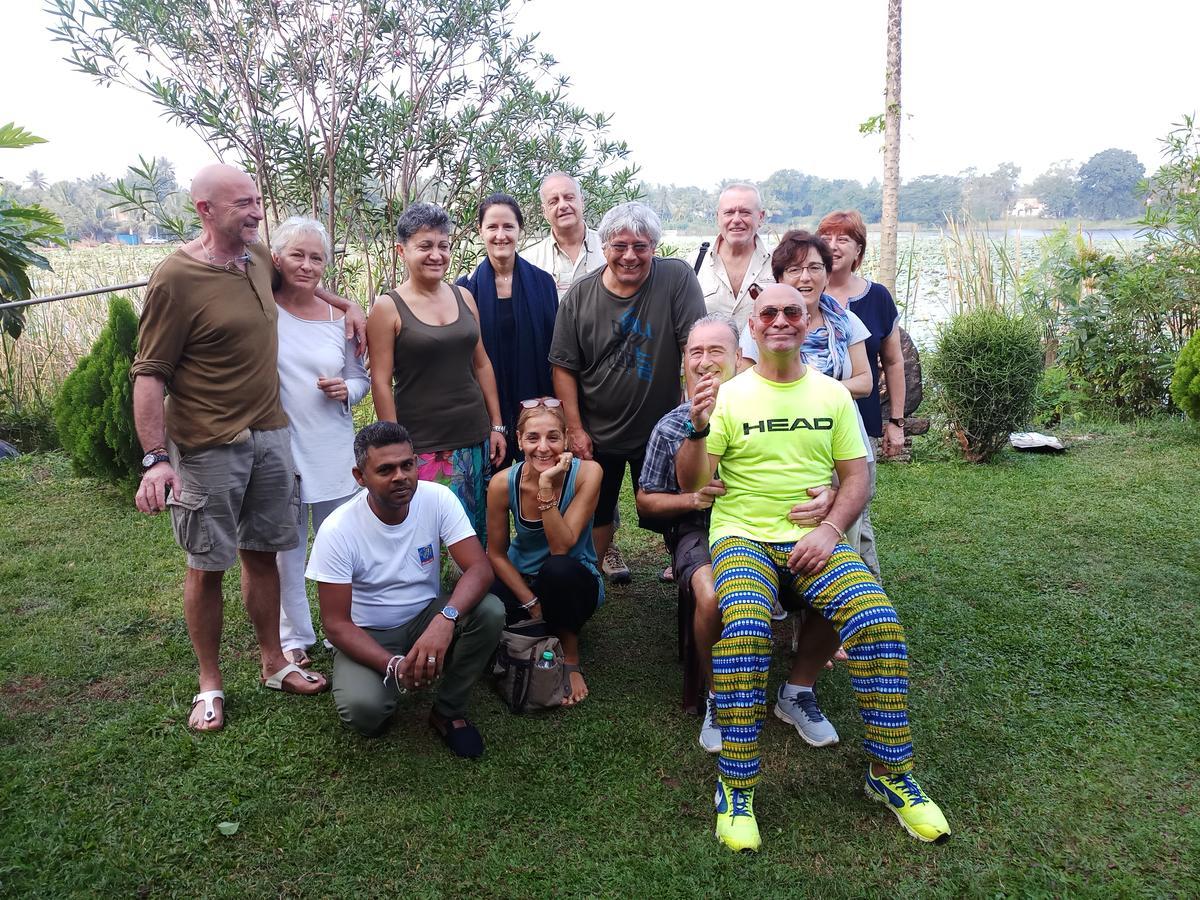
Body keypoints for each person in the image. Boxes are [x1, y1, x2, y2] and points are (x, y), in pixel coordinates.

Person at [676, 282, 950, 852]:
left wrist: (829, 530)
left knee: (878, 621)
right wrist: (700, 429)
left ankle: (891, 774)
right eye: (768, 312)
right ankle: (737, 785)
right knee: (746, 626)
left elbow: (857, 477)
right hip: (743, 538)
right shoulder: (728, 396)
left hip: (813, 540)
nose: (779, 320)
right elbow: (695, 486)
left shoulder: (832, 395)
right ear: (753, 325)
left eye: (791, 312)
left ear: (809, 322)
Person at [131, 164, 360, 731]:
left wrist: (349, 303)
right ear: (205, 210)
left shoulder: (257, 257)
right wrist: (156, 460)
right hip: (209, 444)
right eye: (242, 203)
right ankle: (210, 683)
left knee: (265, 553)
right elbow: (149, 375)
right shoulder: (176, 278)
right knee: (206, 565)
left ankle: (273, 661)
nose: (256, 211)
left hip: (271, 436)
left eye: (257, 200)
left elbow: (300, 280)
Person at [637, 314, 835, 752]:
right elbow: (646, 501)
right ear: (684, 364)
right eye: (695, 352)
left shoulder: (784, 406)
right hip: (700, 529)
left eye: (716, 351)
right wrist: (691, 499)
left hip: (779, 525)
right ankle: (717, 696)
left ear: (739, 359)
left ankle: (798, 689)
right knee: (711, 593)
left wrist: (829, 497)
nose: (705, 362)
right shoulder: (672, 424)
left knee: (831, 576)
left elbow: (834, 469)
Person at [307, 422, 505, 758]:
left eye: (407, 465)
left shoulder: (437, 498)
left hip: (427, 616)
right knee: (364, 713)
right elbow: (336, 624)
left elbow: (479, 568)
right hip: (370, 632)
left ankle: (447, 710)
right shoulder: (338, 529)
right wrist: (393, 666)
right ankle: (397, 675)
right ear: (360, 476)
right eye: (385, 469)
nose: (400, 476)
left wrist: (445, 620)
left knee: (490, 611)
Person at [549, 201, 707, 580]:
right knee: (597, 508)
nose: (630, 256)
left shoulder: (676, 278)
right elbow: (563, 366)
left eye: (641, 246)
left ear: (654, 246)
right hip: (597, 427)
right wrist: (575, 428)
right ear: (603, 247)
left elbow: (694, 346)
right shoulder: (581, 296)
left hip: (659, 428)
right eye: (619, 246)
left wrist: (693, 405)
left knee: (678, 506)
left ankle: (688, 567)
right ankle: (592, 577)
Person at [367, 202, 506, 540]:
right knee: (427, 534)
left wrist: (496, 424)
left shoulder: (464, 297)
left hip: (472, 436)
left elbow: (482, 363)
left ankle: (476, 591)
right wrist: (395, 445)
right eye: (425, 246)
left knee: (474, 529)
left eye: (443, 246)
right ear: (402, 251)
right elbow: (381, 382)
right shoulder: (388, 308)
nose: (436, 255)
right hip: (424, 444)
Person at [739, 230, 877, 565]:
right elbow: (743, 382)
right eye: (794, 269)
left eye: (815, 268)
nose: (805, 277)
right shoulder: (763, 324)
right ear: (779, 277)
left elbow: (865, 381)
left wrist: (817, 391)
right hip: (782, 437)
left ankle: (857, 585)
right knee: (797, 512)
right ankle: (785, 582)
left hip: (842, 434)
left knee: (852, 517)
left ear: (828, 275)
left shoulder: (846, 321)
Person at [271, 216, 370, 667]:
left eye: (316, 257)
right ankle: (293, 635)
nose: (307, 265)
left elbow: (359, 377)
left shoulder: (341, 319)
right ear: (277, 258)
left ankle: (342, 625)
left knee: (339, 541)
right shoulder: (264, 309)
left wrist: (345, 390)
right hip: (282, 447)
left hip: (332, 443)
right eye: (298, 254)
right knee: (287, 549)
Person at [525, 171, 631, 584]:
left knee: (601, 458)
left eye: (569, 197)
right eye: (553, 200)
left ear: (582, 201)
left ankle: (607, 541)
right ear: (544, 209)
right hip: (558, 368)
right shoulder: (534, 257)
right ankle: (556, 538)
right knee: (561, 453)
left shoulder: (607, 247)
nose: (562, 205)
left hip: (607, 372)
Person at [486, 398, 603, 705]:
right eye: (533, 438)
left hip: (572, 576)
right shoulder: (502, 483)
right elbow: (496, 554)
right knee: (482, 590)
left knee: (557, 569)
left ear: (566, 438)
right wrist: (530, 599)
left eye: (553, 437)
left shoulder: (588, 473)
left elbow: (561, 546)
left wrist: (547, 487)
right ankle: (537, 627)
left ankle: (570, 657)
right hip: (524, 580)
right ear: (519, 440)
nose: (543, 448)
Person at [818, 209, 908, 579]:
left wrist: (896, 421)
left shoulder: (877, 298)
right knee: (816, 504)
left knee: (856, 508)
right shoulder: (801, 293)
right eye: (825, 238)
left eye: (844, 239)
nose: (833, 246)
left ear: (859, 250)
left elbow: (893, 361)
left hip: (859, 421)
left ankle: (866, 590)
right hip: (807, 425)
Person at [456, 194, 559, 467]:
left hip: (536, 403)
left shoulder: (542, 283)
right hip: (486, 407)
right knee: (495, 492)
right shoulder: (466, 289)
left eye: (508, 227)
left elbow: (555, 350)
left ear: (519, 231)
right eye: (492, 227)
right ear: (480, 231)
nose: (500, 235)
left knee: (539, 490)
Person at [695, 183, 775, 329]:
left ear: (761, 217)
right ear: (717, 217)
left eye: (745, 212)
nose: (737, 219)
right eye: (729, 212)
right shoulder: (695, 263)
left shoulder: (778, 261)